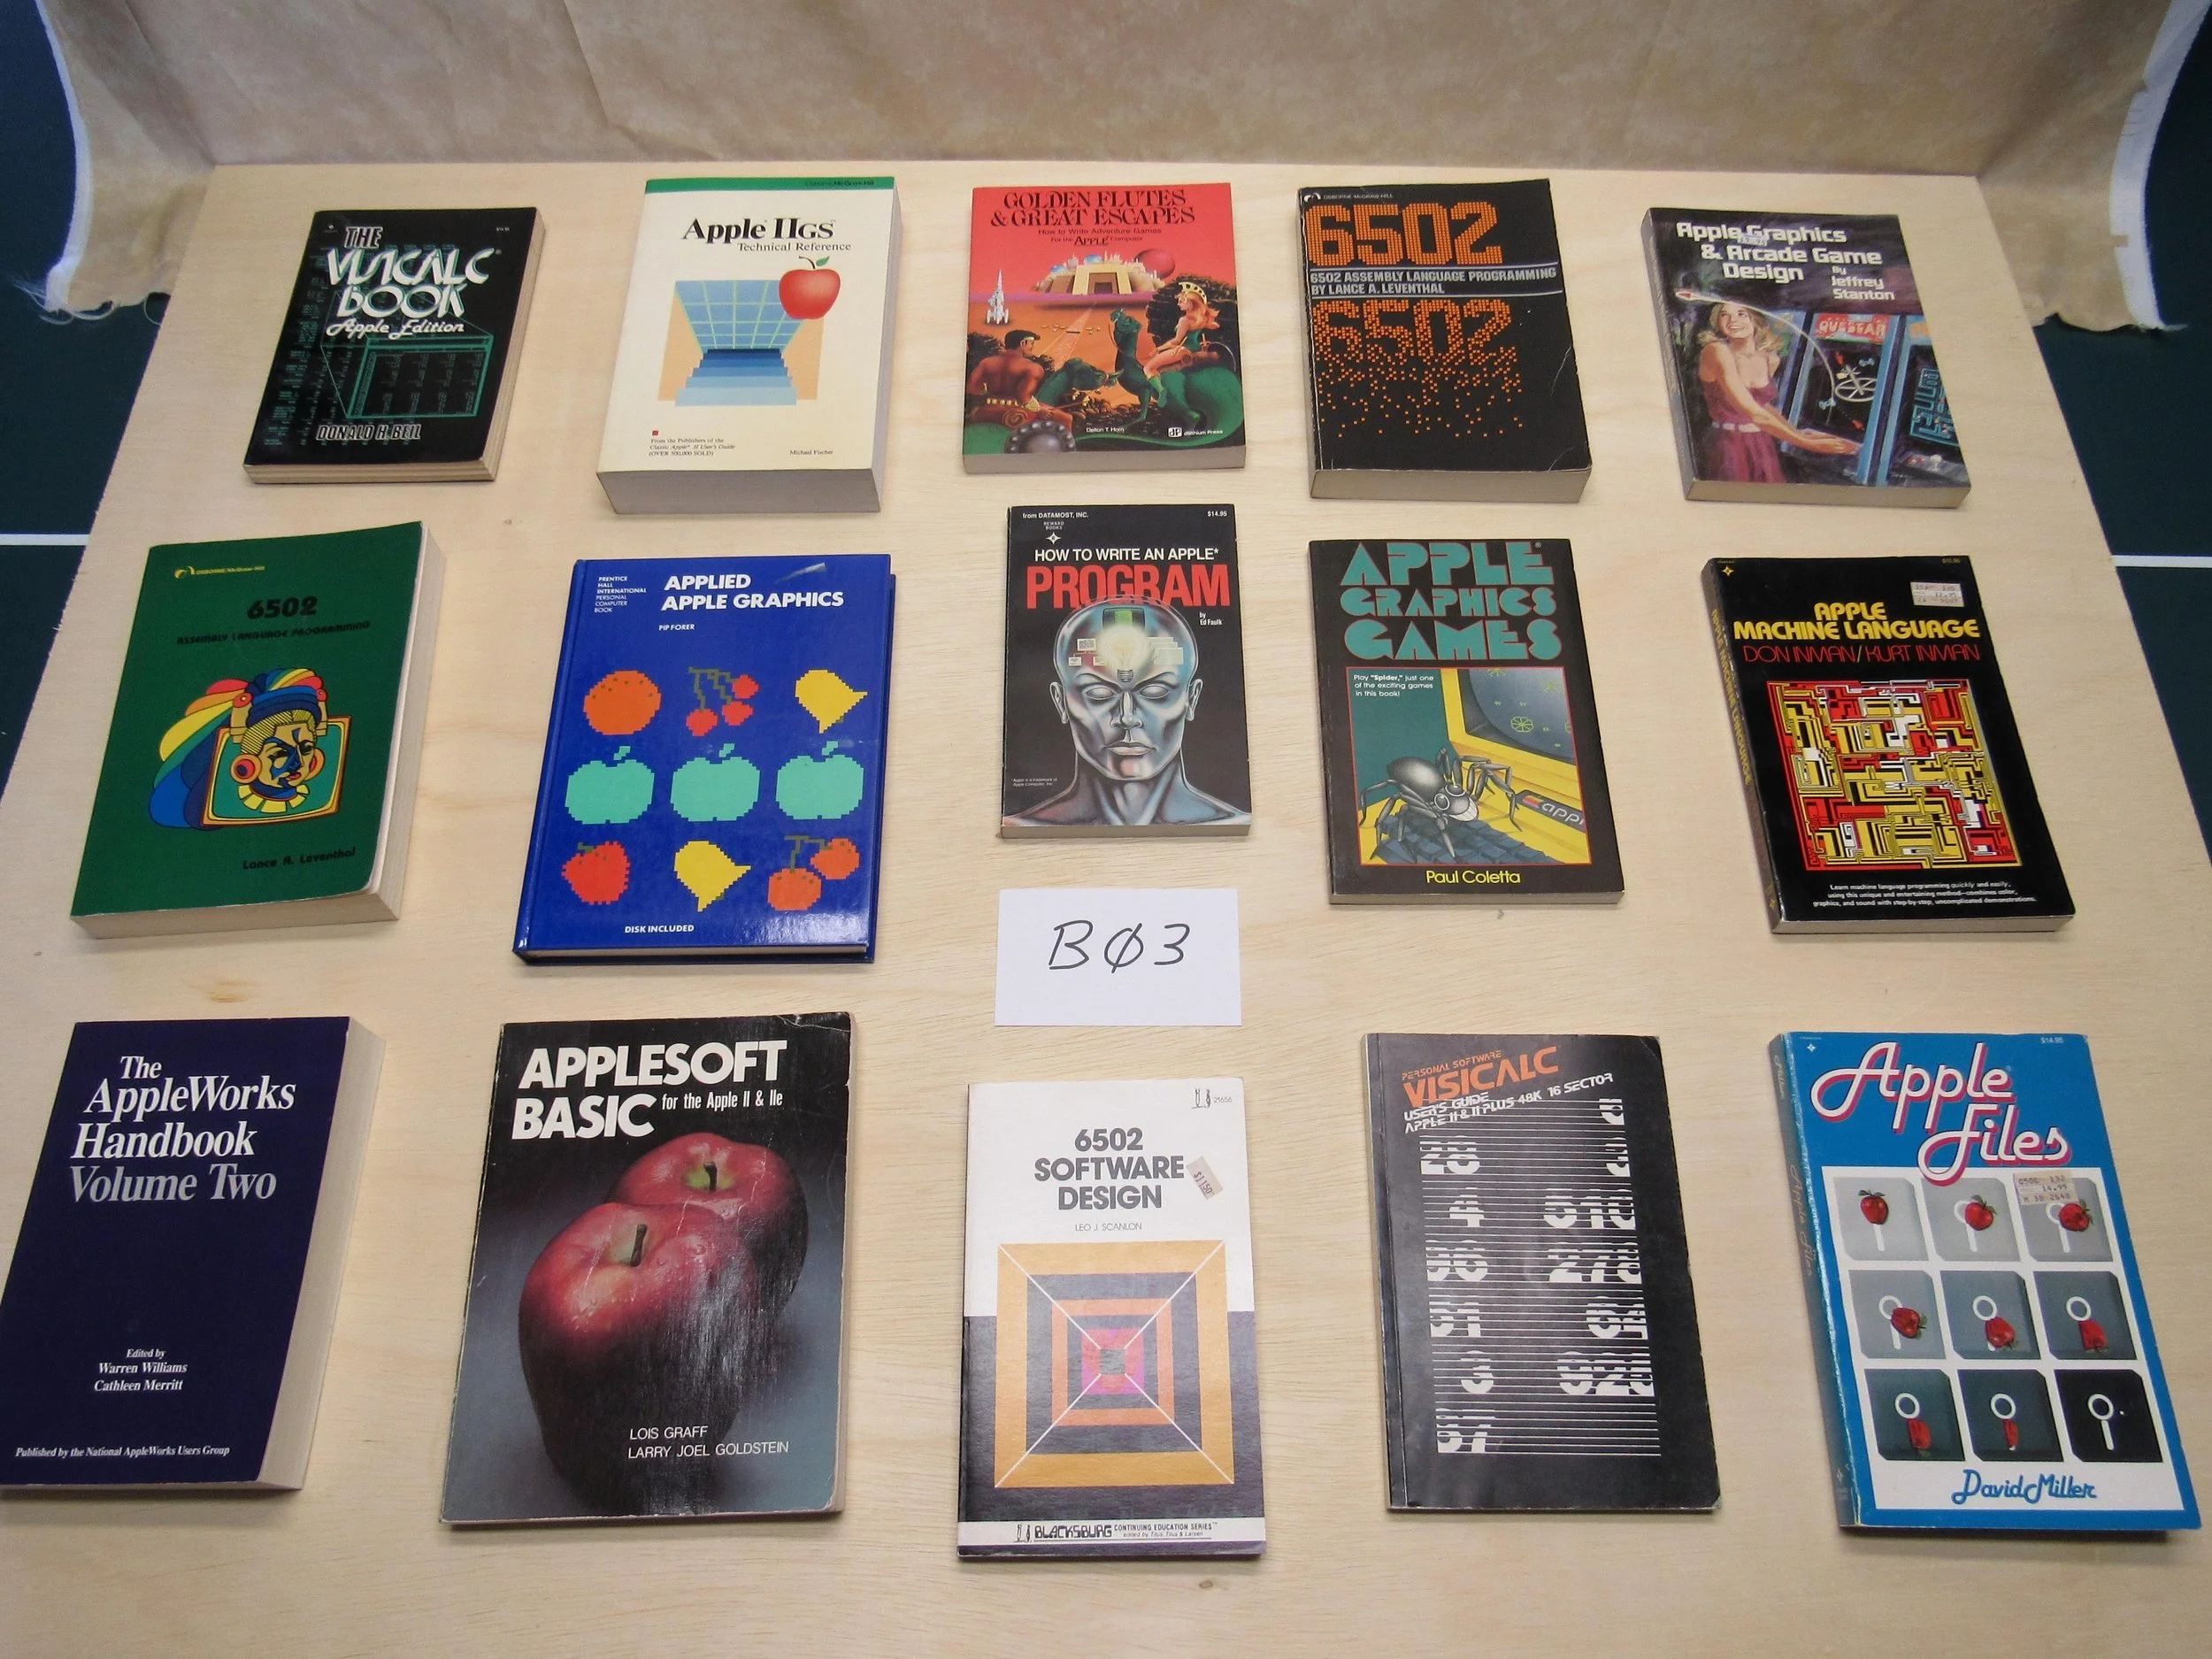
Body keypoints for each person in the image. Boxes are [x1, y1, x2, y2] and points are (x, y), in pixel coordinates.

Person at [1008, 602, 1246, 830]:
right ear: (1061, 701)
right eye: (1099, 693)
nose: (1127, 717)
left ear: (1191, 698)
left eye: (1155, 692)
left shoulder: (1232, 826)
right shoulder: (1021, 828)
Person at [1695, 302, 1856, 482]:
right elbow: (1752, 412)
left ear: (1755, 320)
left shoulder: (1769, 359)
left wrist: (1798, 433)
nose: (1733, 320)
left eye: (1741, 314)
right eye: (1724, 315)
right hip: (1728, 443)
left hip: (1761, 442)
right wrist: (1807, 443)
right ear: (1718, 321)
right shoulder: (1716, 351)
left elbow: (1763, 407)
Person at [965, 329, 1048, 425]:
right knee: (1061, 417)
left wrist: (987, 397)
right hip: (1017, 412)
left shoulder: (986, 362)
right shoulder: (1033, 367)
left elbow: (971, 388)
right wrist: (1039, 410)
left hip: (988, 408)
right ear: (1023, 343)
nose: (1032, 347)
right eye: (1032, 343)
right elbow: (1024, 397)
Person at [1143, 282, 1223, 377]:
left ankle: (1159, 387)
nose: (1178, 304)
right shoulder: (1203, 318)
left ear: (1190, 303)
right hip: (1196, 348)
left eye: (1181, 302)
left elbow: (1177, 340)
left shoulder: (1184, 320)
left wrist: (1158, 349)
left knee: (1148, 368)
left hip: (1183, 350)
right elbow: (1215, 326)